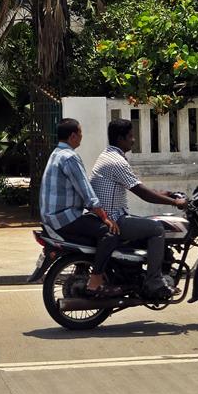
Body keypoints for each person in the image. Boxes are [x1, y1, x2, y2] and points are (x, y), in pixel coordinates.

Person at [90, 118, 187, 300]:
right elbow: (143, 193)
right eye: (131, 136)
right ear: (121, 138)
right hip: (114, 219)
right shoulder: (117, 162)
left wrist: (169, 193)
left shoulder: (108, 155)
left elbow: (139, 187)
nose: (133, 140)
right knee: (157, 229)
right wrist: (175, 203)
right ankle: (154, 282)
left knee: (150, 223)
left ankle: (143, 275)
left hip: (110, 215)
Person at [39, 118, 122, 298]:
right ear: (73, 136)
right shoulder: (70, 157)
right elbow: (86, 190)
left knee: (93, 228)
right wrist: (104, 216)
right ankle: (96, 281)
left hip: (53, 217)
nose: (82, 137)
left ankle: (84, 269)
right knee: (109, 233)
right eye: (81, 133)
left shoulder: (56, 154)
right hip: (64, 218)